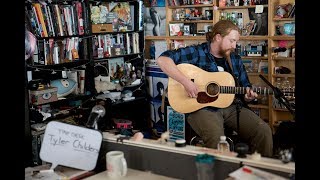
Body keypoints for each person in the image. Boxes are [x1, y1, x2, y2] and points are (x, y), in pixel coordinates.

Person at [156, 20, 273, 157]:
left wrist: (248, 94)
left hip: (231, 106)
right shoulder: (196, 52)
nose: (234, 46)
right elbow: (163, 60)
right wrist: (186, 82)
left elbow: (244, 86)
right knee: (217, 140)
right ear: (218, 37)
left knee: (263, 131)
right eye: (231, 41)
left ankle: (258, 172)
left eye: (236, 42)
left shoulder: (235, 59)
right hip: (201, 108)